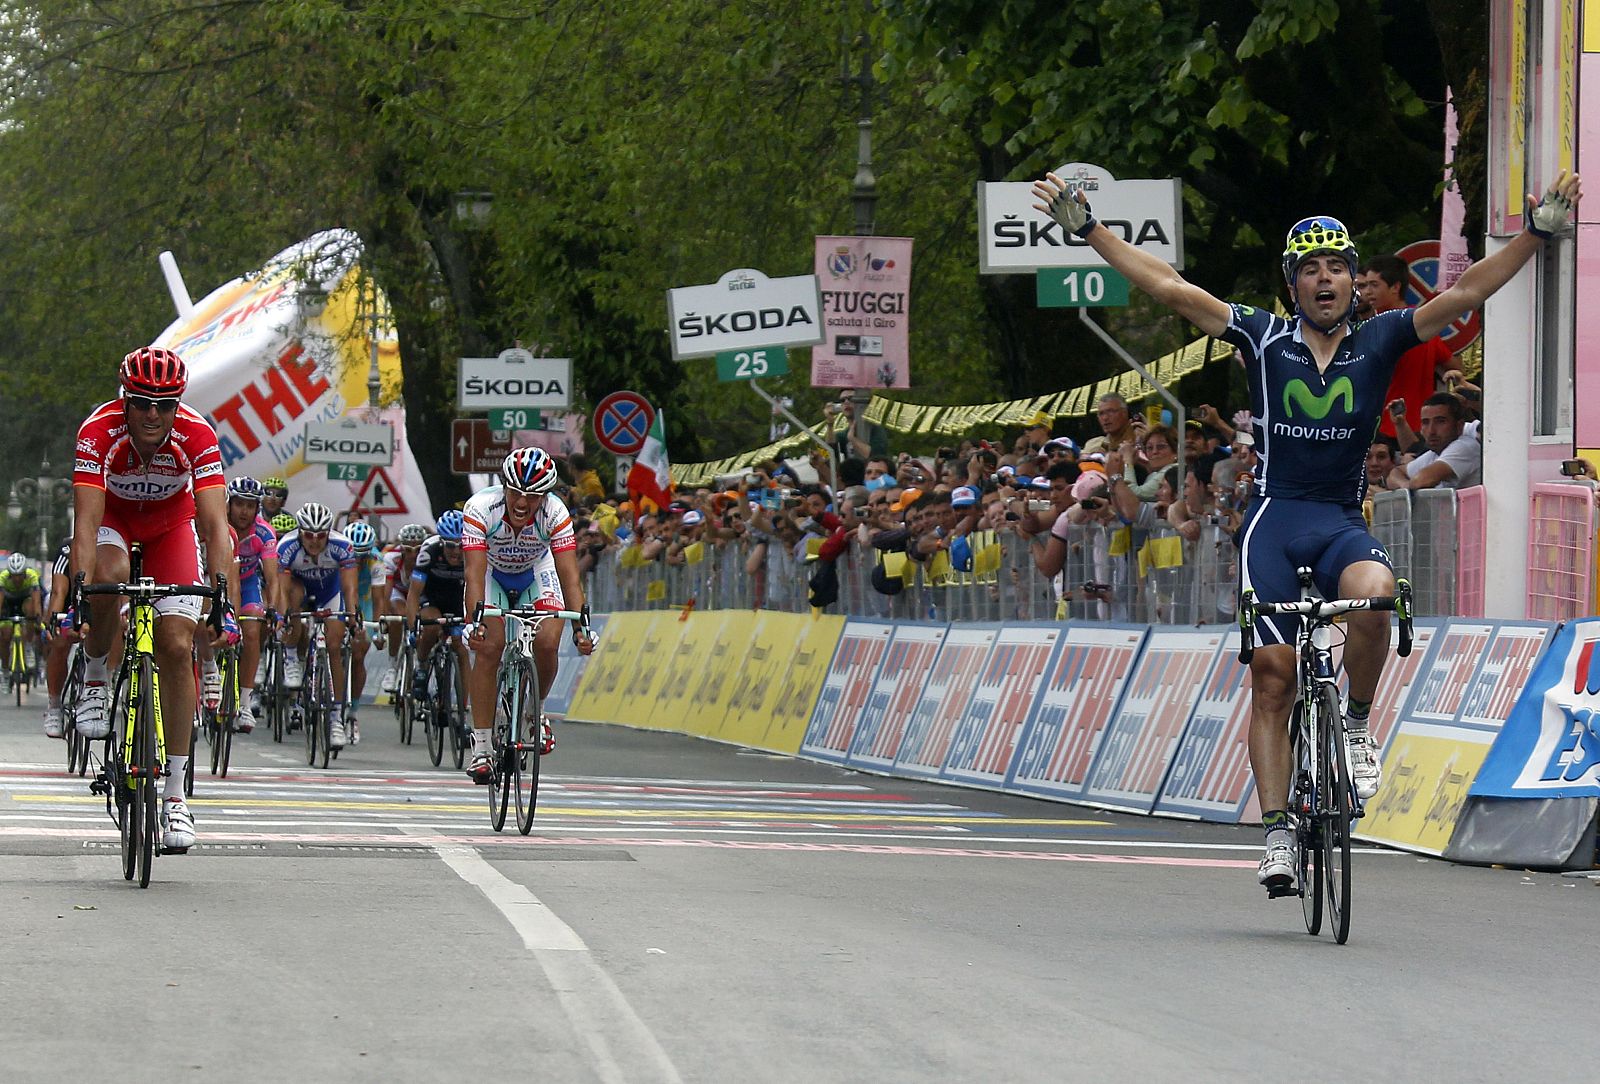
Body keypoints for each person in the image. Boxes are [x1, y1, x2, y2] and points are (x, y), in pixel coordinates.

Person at [1034, 165, 1581, 895]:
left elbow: (1469, 291)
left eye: (1338, 267)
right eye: (1311, 269)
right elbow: (1168, 287)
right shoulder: (1261, 337)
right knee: (1274, 676)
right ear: (1291, 283)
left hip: (1338, 521)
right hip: (1273, 520)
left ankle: (1355, 726)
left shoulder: (1382, 337)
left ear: (1355, 280)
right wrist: (1090, 231)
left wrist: (1538, 234)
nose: (1326, 280)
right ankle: (1278, 835)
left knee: (1378, 594)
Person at [70, 347, 238, 851]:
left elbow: (213, 525)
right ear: (125, 399)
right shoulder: (97, 432)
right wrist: (81, 589)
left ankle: (176, 798)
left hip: (170, 527)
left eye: (163, 405)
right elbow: (85, 523)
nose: (151, 414)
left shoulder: (197, 434)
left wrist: (221, 594)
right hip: (115, 522)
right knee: (110, 573)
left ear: (176, 406)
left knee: (173, 641)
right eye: (141, 402)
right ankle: (97, 675)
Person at [460, 448, 596, 782]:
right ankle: (481, 749)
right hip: (493, 572)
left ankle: (536, 711)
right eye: (516, 493)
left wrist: (582, 627)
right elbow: (474, 576)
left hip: (537, 570)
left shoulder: (556, 513)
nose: (522, 503)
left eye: (533, 496)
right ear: (503, 487)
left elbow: (570, 577)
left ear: (545, 497)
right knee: (489, 647)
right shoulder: (479, 509)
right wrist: (474, 623)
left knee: (548, 642)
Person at [275, 502, 360, 748]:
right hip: (299, 590)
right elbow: (281, 589)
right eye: (309, 535)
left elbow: (350, 588)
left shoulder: (342, 546)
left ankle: (335, 720)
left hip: (330, 594)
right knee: (293, 602)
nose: (314, 541)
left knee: (334, 647)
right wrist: (283, 618)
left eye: (320, 535)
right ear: (300, 533)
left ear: (328, 533)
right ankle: (291, 657)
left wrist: (352, 616)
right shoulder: (287, 547)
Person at [1357, 254, 1456, 441]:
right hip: (1422, 428)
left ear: (1395, 287)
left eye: (1374, 285)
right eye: (1365, 285)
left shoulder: (1379, 328)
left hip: (1386, 428)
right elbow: (1455, 367)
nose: (1367, 292)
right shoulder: (1423, 324)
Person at [226, 476, 280, 733]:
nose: (244, 511)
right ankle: (208, 677)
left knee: (251, 631)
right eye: (239, 504)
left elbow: (272, 577)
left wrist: (273, 609)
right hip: (217, 582)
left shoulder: (264, 533)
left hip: (248, 585)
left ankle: (245, 702)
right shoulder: (218, 523)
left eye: (250, 505)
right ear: (229, 503)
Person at [405, 510, 469, 708]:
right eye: (450, 545)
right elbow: (414, 594)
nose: (456, 551)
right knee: (431, 628)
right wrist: (413, 626)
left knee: (461, 648)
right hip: (431, 597)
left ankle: (463, 708)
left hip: (458, 598)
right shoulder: (429, 550)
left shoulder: (472, 552)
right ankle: (422, 664)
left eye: (460, 545)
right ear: (441, 542)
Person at [1386, 392, 1481, 490]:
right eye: (1425, 422)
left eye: (1440, 421)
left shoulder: (1466, 447)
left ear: (1459, 426)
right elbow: (1395, 473)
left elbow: (1422, 481)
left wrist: (1408, 488)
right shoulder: (1434, 453)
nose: (1431, 431)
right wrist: (1405, 485)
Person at [379, 523, 429, 693]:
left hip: (422, 593)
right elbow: (385, 593)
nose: (413, 555)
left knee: (426, 621)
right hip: (399, 593)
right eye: (408, 550)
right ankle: (392, 666)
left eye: (418, 550)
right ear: (401, 548)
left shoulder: (429, 557)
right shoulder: (391, 558)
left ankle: (424, 662)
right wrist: (385, 618)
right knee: (398, 617)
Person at [42, 538, 75, 737]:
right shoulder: (66, 550)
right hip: (69, 596)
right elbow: (59, 592)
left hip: (99, 598)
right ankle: (54, 705)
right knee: (60, 643)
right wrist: (53, 622)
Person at [1, 552, 42, 692]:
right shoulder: (3, 577)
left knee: (31, 609)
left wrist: (37, 618)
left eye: (20, 575)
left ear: (25, 573)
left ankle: (29, 646)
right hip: (9, 604)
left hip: (25, 601)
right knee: (5, 637)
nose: (17, 579)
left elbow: (36, 600)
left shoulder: (32, 575)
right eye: (14, 575)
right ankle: (5, 673)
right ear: (9, 574)